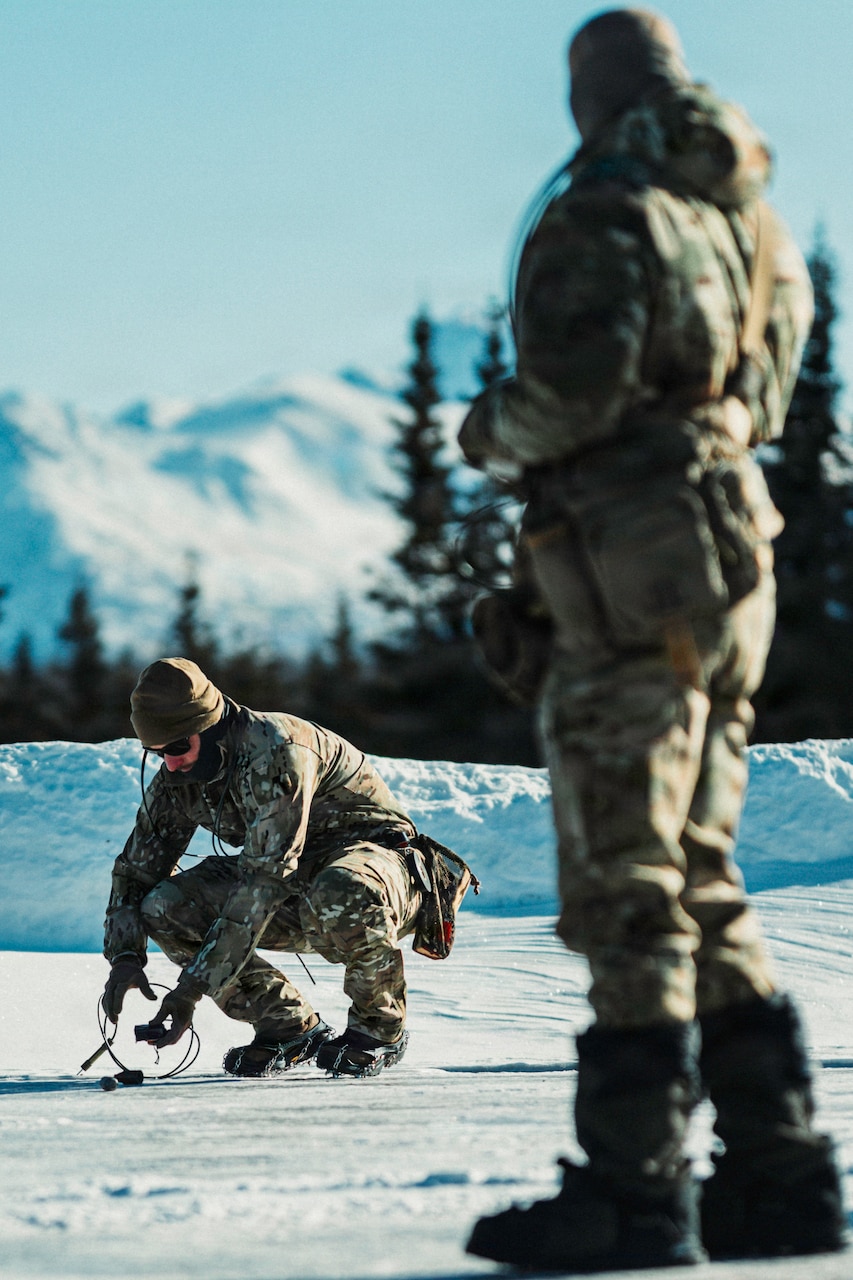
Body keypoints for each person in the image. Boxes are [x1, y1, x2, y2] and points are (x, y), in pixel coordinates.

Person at [458, 8, 846, 1272]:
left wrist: (487, 431)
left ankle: (632, 1191)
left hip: (627, 564)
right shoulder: (749, 221)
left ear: (592, 97)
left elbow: (572, 394)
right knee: (695, 866)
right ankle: (780, 1173)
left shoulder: (608, 208)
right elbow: (766, 398)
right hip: (731, 551)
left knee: (625, 873)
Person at [102, 656, 426, 1079]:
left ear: (209, 726)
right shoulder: (178, 776)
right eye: (156, 752)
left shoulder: (276, 751)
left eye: (178, 748)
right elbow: (136, 871)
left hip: (378, 875)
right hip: (293, 884)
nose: (170, 763)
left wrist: (190, 990)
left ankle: (379, 1028)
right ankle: (287, 1025)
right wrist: (125, 956)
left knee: (341, 886)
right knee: (165, 906)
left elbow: (263, 882)